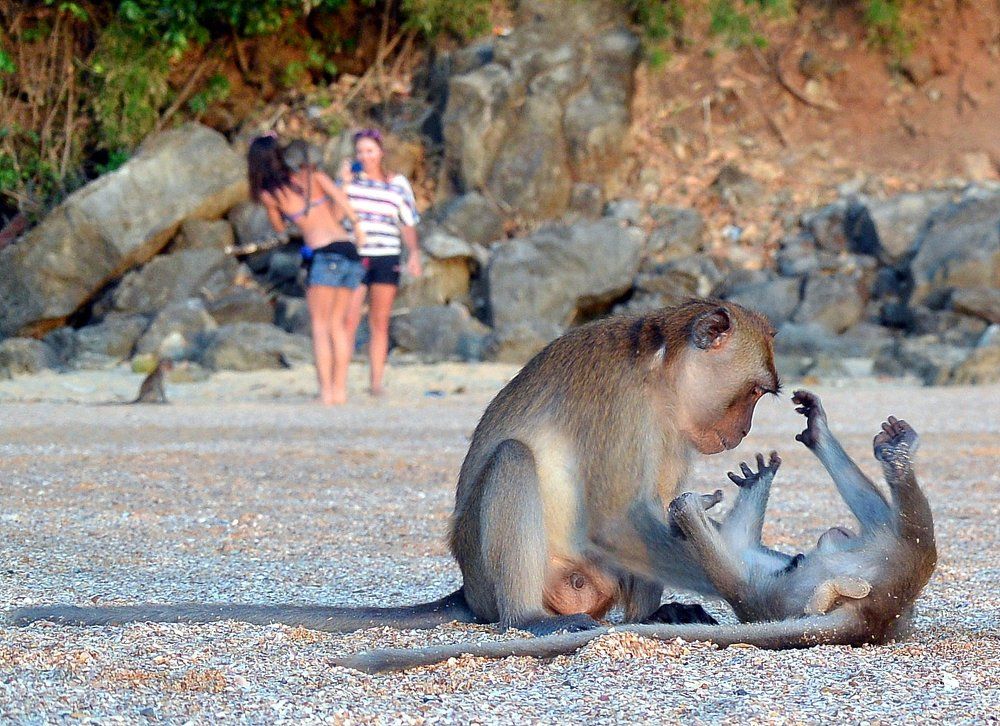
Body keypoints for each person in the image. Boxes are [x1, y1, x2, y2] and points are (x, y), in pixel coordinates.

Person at [247, 134, 367, 406]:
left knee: (321, 326)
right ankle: (341, 391)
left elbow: (280, 229)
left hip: (322, 255)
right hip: (348, 250)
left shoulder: (270, 195)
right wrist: (357, 225)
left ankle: (326, 393)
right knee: (339, 325)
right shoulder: (313, 177)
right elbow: (342, 209)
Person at [340, 128, 423, 397]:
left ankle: (376, 383)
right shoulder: (350, 182)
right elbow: (335, 213)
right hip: (354, 254)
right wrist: (342, 182)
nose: (365, 156)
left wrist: (414, 254)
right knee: (348, 318)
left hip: (386, 255)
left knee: (379, 321)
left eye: (370, 151)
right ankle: (338, 382)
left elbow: (407, 222)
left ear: (380, 152)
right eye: (360, 151)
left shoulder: (397, 183)